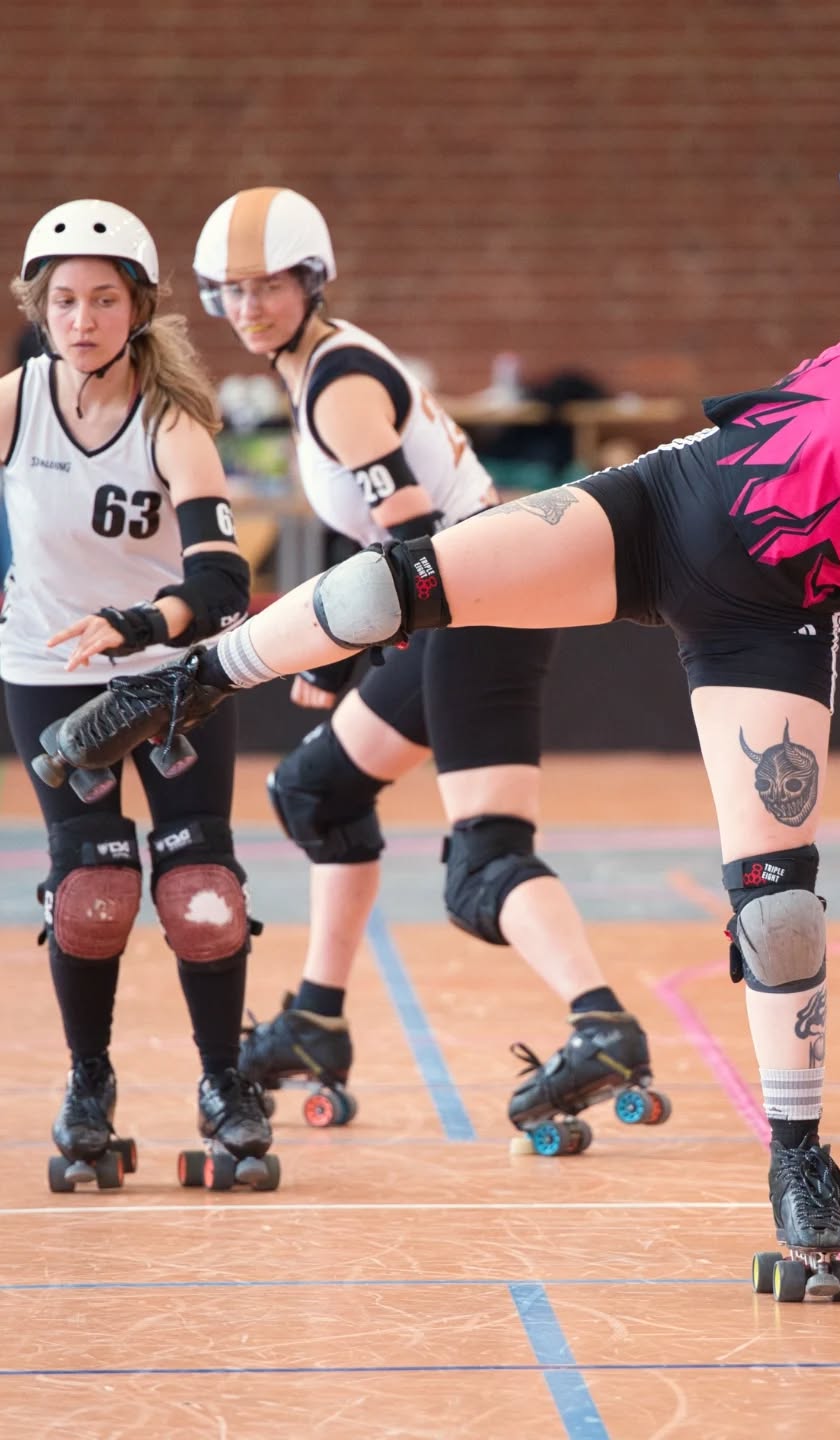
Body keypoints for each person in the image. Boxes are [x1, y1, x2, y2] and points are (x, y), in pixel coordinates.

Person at [43, 127, 840, 1285]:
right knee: (409, 581)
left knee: (780, 912)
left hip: (771, 628)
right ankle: (181, 684)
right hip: (665, 510)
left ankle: (799, 1162)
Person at [188, 187, 666, 1145]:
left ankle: (600, 1021)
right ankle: (317, 1020)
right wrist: (346, 648)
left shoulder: (338, 382)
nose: (249, 308)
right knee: (315, 794)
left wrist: (343, 645)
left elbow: (408, 541)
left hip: (479, 603)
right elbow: (397, 552)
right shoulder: (319, 368)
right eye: (231, 293)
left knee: (482, 860)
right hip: (459, 599)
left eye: (267, 287)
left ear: (310, 280)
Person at [0, 200, 276, 1191]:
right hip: (51, 676)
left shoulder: (173, 425)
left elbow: (222, 583)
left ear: (138, 309)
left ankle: (225, 1083)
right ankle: (88, 1086)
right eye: (64, 300)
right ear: (41, 307)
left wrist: (136, 625)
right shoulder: (16, 402)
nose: (82, 319)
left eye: (103, 300)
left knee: (202, 898)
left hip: (169, 681)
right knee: (93, 894)